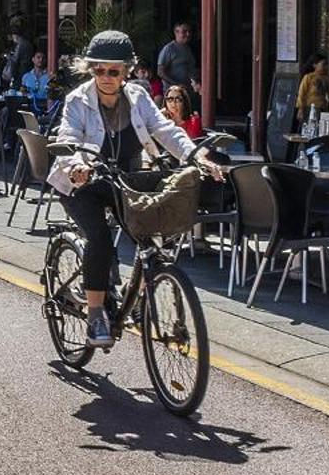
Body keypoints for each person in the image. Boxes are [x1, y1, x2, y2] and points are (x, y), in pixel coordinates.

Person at [48, 30, 221, 347]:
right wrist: (77, 164)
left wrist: (197, 156)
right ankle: (97, 314)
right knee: (99, 239)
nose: (106, 77)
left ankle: (139, 294)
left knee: (145, 235)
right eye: (99, 69)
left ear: (126, 71)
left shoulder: (139, 98)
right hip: (81, 184)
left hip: (123, 180)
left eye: (113, 70)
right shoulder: (78, 100)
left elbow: (166, 130)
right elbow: (68, 138)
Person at [156, 22, 199, 108]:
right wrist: (177, 84)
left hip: (189, 92)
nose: (188, 34)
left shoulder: (188, 49)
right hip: (173, 94)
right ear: (176, 32)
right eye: (184, 31)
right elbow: (160, 72)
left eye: (189, 31)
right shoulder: (169, 49)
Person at [297, 51, 329, 120]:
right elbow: (301, 94)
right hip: (310, 108)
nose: (326, 67)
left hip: (323, 108)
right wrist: (300, 109)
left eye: (327, 65)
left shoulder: (328, 79)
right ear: (315, 65)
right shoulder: (309, 77)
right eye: (323, 65)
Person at [20, 50, 53, 116]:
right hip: (29, 106)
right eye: (38, 57)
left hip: (45, 106)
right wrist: (24, 91)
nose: (41, 60)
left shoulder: (50, 76)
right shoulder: (26, 76)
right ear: (33, 59)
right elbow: (22, 92)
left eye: (43, 58)